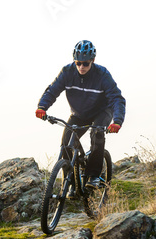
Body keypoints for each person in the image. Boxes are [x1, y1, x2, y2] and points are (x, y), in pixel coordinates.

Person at [35, 40, 126, 195]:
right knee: (66, 144)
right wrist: (42, 107)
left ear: (93, 61)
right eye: (78, 63)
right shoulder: (67, 72)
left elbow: (117, 99)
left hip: (101, 112)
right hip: (79, 114)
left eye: (85, 63)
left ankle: (94, 176)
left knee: (96, 134)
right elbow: (52, 91)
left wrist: (117, 121)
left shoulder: (102, 75)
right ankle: (70, 183)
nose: (81, 67)